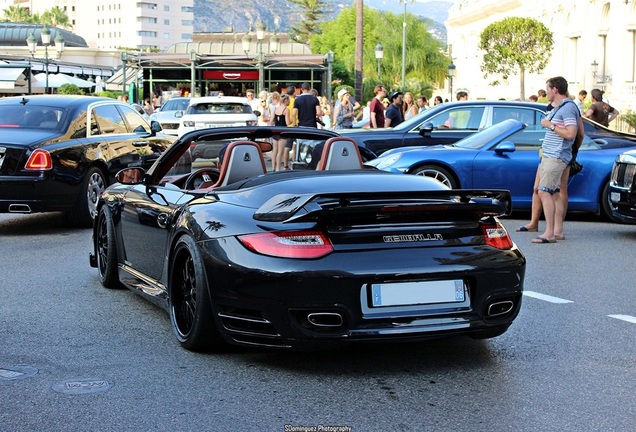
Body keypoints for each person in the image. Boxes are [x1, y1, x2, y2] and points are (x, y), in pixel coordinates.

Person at [532, 76, 579, 244]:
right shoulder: (562, 107)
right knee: (556, 193)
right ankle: (557, 231)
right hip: (553, 155)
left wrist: (550, 125)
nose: (546, 93)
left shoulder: (567, 108)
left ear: (555, 89)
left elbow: (571, 133)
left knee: (545, 191)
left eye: (547, 89)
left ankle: (549, 233)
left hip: (556, 156)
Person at [271, 94, 292, 171]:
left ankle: (273, 167)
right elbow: (288, 122)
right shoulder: (286, 110)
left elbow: (271, 121)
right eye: (289, 100)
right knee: (280, 151)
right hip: (283, 132)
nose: (289, 101)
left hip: (275, 131)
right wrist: (293, 120)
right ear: (286, 101)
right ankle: (278, 169)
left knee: (274, 151)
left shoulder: (275, 109)